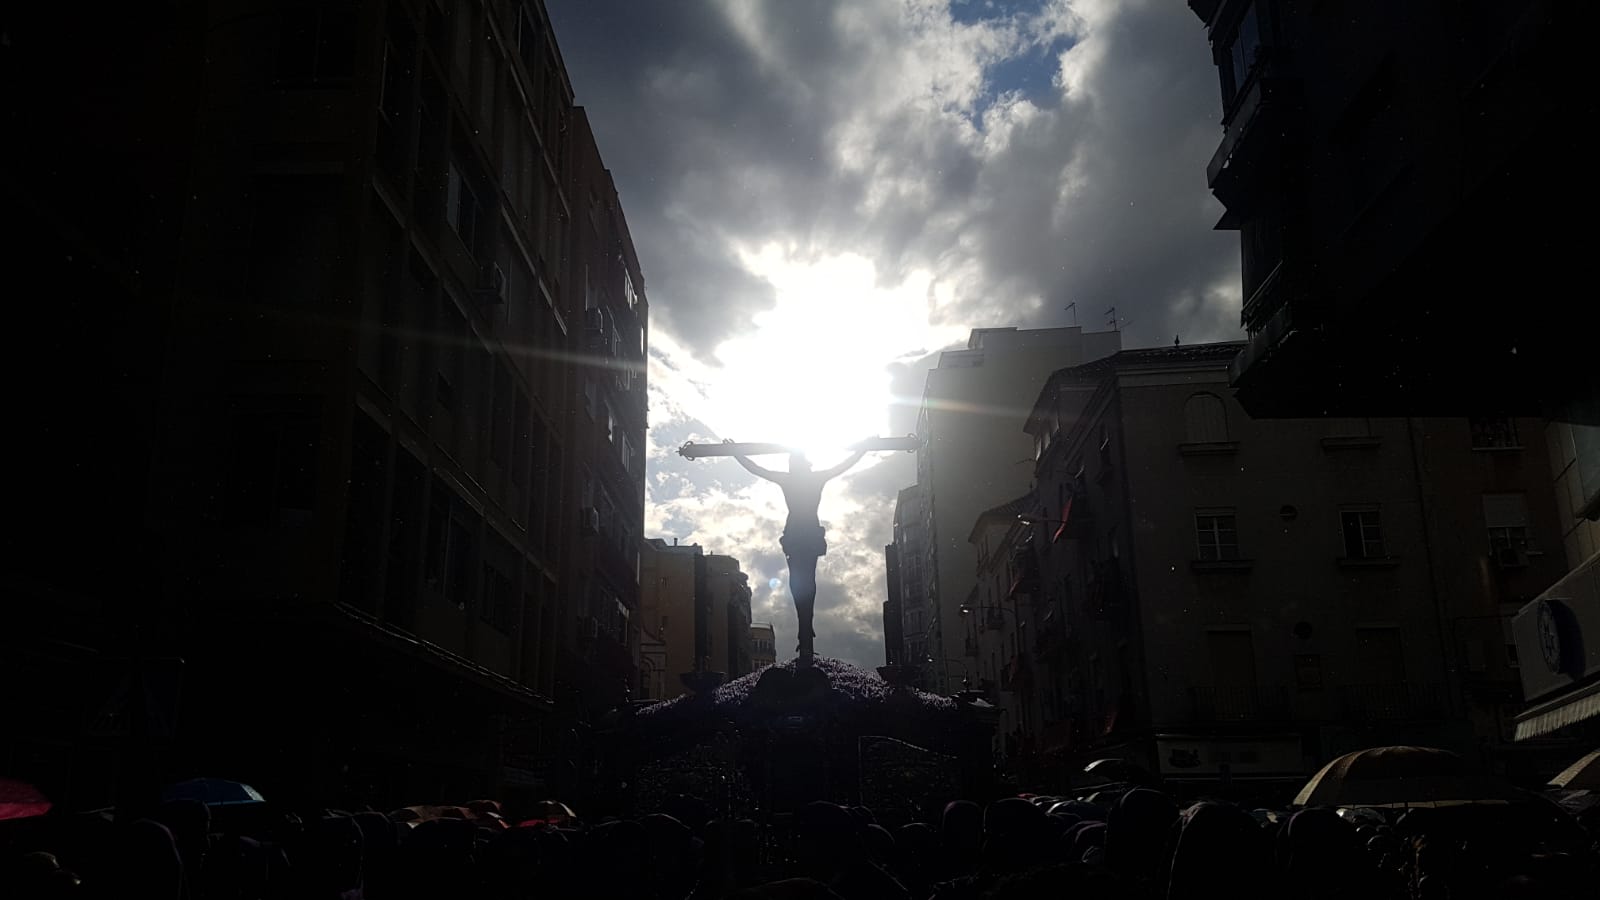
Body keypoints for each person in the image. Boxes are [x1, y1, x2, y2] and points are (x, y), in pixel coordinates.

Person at [733, 450, 866, 661]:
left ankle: (806, 626)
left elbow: (843, 465)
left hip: (802, 533)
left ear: (802, 465)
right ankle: (804, 625)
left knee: (804, 581)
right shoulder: (798, 478)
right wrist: (737, 455)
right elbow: (758, 469)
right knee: (798, 582)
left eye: (793, 463)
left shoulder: (807, 478)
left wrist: (863, 450)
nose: (790, 466)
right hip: (800, 533)